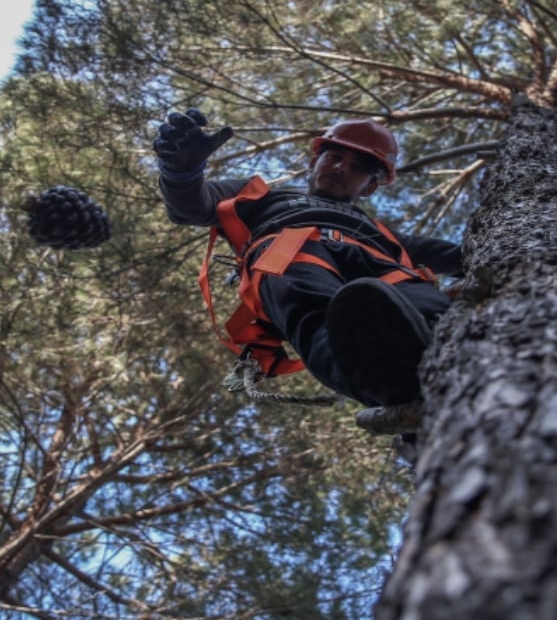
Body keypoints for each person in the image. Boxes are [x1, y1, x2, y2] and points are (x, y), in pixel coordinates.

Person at [153, 109, 462, 407]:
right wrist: (181, 173)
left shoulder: (382, 233)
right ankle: (382, 381)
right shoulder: (262, 196)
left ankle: (461, 354)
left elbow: (453, 255)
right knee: (318, 316)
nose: (342, 168)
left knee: (427, 304)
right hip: (290, 251)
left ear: (369, 187)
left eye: (357, 167)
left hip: (378, 260)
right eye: (334, 157)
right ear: (315, 161)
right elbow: (192, 206)